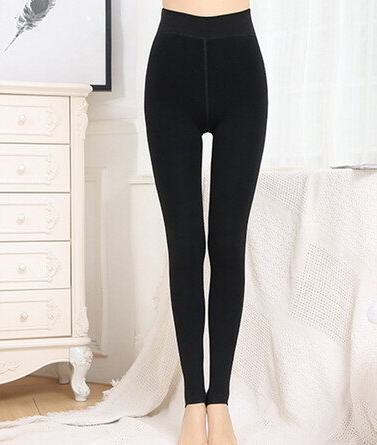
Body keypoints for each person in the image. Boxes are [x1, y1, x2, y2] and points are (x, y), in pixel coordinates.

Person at [144, 0, 268, 443]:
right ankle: (193, 403)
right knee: (185, 247)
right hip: (171, 67)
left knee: (228, 245)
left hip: (241, 64)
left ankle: (220, 403)